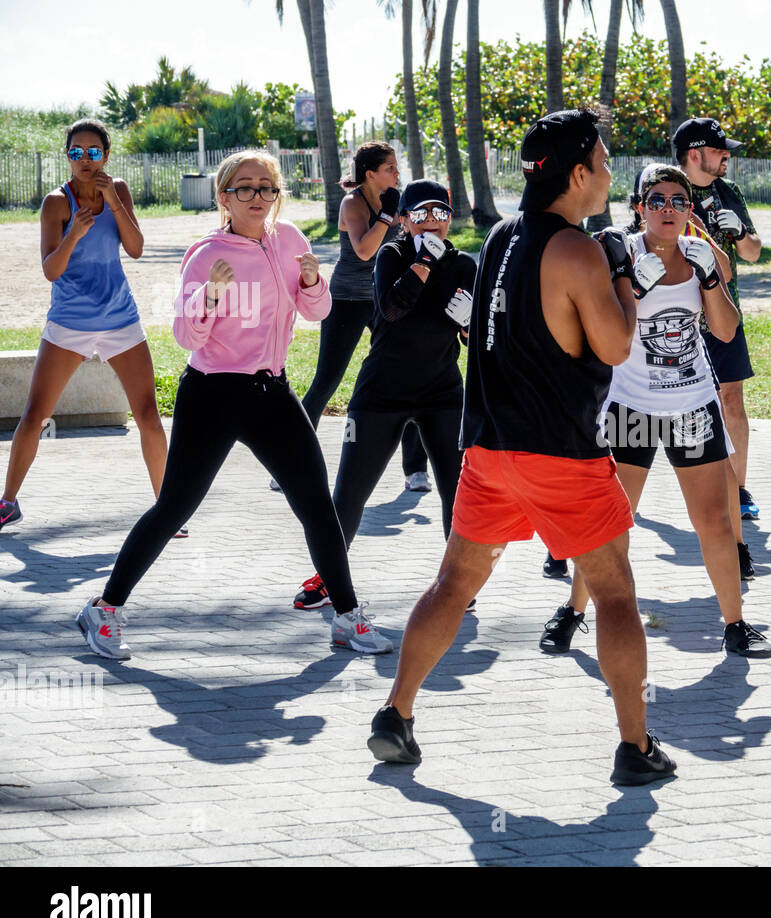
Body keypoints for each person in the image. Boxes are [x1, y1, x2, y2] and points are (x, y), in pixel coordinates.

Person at [367, 110, 677, 786]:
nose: (608, 170)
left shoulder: (503, 235)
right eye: (601, 158)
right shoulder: (576, 249)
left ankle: (396, 712)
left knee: (455, 583)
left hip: (490, 450)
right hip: (560, 453)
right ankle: (636, 747)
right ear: (576, 174)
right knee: (616, 593)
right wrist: (625, 273)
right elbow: (617, 345)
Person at [75, 150, 383, 659]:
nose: (257, 197)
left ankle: (348, 618)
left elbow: (318, 310)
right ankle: (104, 610)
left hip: (272, 392)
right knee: (175, 507)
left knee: (316, 506)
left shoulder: (289, 241)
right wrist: (211, 296)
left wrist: (311, 280)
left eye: (266, 187)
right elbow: (185, 334)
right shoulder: (205, 255)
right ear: (224, 197)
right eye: (245, 188)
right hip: (213, 393)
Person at [540, 163, 770, 658]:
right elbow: (597, 327)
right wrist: (633, 288)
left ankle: (734, 623)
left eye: (679, 201)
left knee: (714, 520)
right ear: (639, 206)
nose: (669, 209)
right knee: (610, 520)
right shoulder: (615, 250)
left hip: (691, 402)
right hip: (632, 405)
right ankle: (573, 611)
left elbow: (726, 330)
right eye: (658, 200)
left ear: (690, 210)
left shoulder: (700, 253)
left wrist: (712, 280)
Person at [293, 180, 475, 611]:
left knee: (458, 491)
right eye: (422, 214)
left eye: (440, 213)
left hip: (442, 392)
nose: (432, 221)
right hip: (382, 392)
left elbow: (477, 339)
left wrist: (469, 323)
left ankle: (457, 581)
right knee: (350, 493)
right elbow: (391, 310)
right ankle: (328, 577)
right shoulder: (390, 255)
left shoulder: (464, 262)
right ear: (405, 220)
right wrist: (423, 265)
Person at [1, 118, 168, 535]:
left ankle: (168, 510)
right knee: (35, 415)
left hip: (120, 320)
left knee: (148, 414)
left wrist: (112, 200)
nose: (86, 160)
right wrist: (72, 234)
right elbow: (50, 271)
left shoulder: (120, 190)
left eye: (94, 152)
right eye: (77, 152)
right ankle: (7, 503)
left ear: (107, 155)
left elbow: (136, 248)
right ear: (68, 156)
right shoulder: (56, 203)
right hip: (69, 323)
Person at [293, 142, 432, 495]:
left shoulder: (396, 201)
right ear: (370, 174)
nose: (397, 174)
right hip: (348, 299)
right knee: (327, 380)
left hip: (386, 299)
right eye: (390, 168)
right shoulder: (353, 203)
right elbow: (365, 249)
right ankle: (289, 464)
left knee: (408, 374)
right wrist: (386, 216)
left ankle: (416, 469)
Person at [674, 117, 764, 521]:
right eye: (718, 150)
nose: (727, 156)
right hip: (674, 319)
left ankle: (739, 490)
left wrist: (741, 231)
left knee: (732, 401)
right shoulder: (666, 189)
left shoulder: (729, 192)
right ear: (695, 154)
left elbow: (753, 252)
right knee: (663, 408)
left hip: (724, 315)